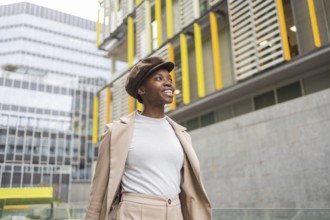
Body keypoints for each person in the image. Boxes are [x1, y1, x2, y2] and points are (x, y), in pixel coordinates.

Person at [85, 56, 212, 220]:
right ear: (141, 90)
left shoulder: (181, 134)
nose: (168, 83)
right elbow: (99, 191)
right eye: (159, 79)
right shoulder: (116, 132)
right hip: (133, 213)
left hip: (175, 212)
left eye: (169, 79)